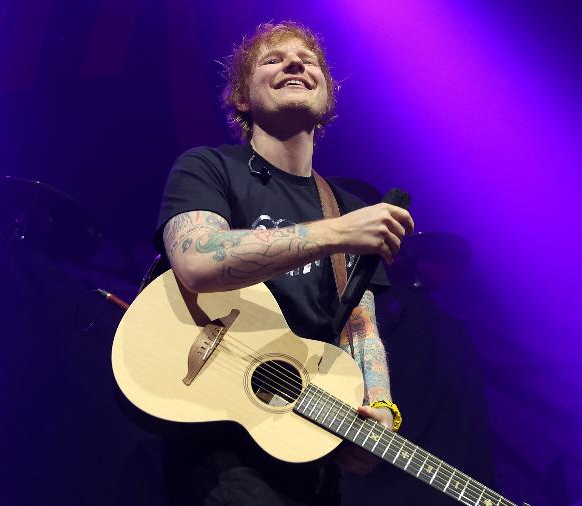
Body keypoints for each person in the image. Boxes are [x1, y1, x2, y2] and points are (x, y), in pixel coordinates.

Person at [152, 21, 415, 505]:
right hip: (220, 438)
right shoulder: (209, 167)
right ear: (242, 99)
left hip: (310, 445)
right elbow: (194, 260)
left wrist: (379, 406)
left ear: (327, 99)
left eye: (308, 59)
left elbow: (361, 327)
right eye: (273, 59)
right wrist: (336, 234)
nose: (295, 62)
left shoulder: (347, 205)